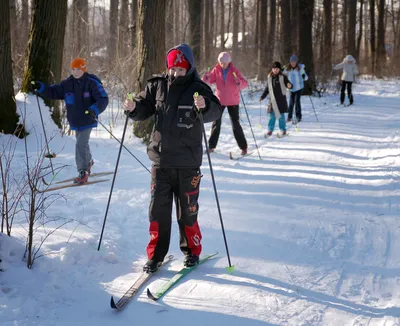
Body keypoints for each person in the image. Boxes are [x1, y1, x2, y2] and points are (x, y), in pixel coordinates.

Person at [123, 44, 222, 273]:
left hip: (188, 164)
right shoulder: (156, 85)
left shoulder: (198, 88)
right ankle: (156, 255)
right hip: (161, 161)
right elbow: (143, 108)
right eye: (173, 68)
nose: (176, 73)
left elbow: (216, 110)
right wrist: (132, 107)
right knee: (157, 210)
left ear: (189, 67)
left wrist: (205, 106)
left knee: (187, 210)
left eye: (181, 69)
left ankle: (192, 251)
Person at [32, 58, 108, 184]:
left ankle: (83, 171)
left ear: (84, 69)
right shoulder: (67, 84)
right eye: (73, 69)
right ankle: (88, 162)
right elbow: (53, 92)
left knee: (80, 144)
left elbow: (103, 99)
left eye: (78, 69)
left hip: (88, 119)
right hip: (75, 120)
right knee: (82, 143)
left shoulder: (92, 83)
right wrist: (41, 88)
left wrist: (94, 109)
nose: (76, 71)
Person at [202, 52, 248, 155]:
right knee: (216, 123)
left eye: (225, 63)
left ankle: (243, 147)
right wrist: (206, 77)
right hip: (220, 100)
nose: (223, 65)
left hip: (233, 101)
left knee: (235, 124)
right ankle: (211, 146)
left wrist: (239, 82)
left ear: (229, 62)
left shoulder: (234, 71)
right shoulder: (216, 70)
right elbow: (209, 81)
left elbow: (245, 84)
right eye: (221, 62)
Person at [259, 62, 293, 137]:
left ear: (279, 69)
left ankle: (283, 130)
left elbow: (288, 84)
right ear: (272, 69)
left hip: (281, 100)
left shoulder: (283, 77)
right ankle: (270, 130)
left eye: (277, 69)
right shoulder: (270, 77)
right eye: (274, 69)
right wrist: (262, 96)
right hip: (272, 101)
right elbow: (267, 89)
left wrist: (290, 86)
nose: (275, 70)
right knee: (272, 116)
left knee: (281, 116)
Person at [283, 54, 308, 123]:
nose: (293, 63)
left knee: (297, 102)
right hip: (291, 88)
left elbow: (306, 78)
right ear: (290, 62)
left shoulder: (300, 68)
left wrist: (303, 75)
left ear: (296, 62)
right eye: (292, 62)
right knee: (291, 103)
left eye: (294, 62)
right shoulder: (287, 69)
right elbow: (282, 74)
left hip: (299, 88)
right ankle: (289, 117)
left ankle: (298, 117)